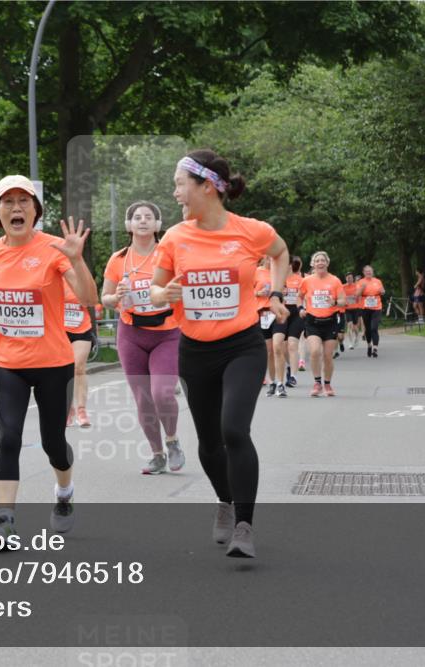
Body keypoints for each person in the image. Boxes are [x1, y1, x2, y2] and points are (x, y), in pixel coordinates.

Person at [150, 149, 290, 558]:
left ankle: (245, 525)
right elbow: (155, 289)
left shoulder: (251, 231)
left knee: (234, 430)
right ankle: (225, 501)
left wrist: (277, 292)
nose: (175, 193)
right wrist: (165, 293)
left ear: (206, 187)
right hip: (195, 351)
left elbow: (279, 252)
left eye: (179, 184)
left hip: (242, 346)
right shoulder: (176, 237)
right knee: (210, 443)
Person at [0, 175, 97, 542]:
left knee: (53, 444)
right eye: (8, 202)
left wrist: (76, 260)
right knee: (8, 436)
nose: (16, 208)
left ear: (36, 210)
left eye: (24, 201)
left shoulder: (56, 249)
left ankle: (64, 493)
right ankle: (5, 520)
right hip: (8, 362)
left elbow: (89, 297)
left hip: (53, 362)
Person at [102, 200, 185, 475]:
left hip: (167, 333)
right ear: (128, 225)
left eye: (149, 216)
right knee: (142, 398)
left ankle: (172, 441)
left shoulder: (169, 254)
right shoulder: (118, 259)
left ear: (158, 224)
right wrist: (118, 297)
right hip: (131, 333)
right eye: (136, 217)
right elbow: (105, 297)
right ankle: (157, 454)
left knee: (161, 393)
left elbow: (184, 286)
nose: (143, 221)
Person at [298, 252, 346, 397]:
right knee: (314, 352)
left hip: (330, 321)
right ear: (313, 264)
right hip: (312, 321)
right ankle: (317, 383)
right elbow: (299, 297)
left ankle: (328, 384)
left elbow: (343, 301)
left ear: (327, 263)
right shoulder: (307, 281)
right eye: (317, 260)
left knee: (327, 355)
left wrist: (335, 302)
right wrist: (301, 308)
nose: (320, 263)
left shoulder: (335, 281)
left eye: (322, 260)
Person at [63, 277, 95, 428]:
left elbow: (92, 300)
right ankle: (68, 409)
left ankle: (82, 410)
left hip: (80, 328)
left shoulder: (79, 274)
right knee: (60, 371)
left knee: (78, 367)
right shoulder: (50, 275)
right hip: (58, 330)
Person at [270, 256, 304, 394]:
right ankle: (289, 366)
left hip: (296, 314)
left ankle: (293, 377)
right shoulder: (277, 280)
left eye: (287, 265)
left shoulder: (301, 280)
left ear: (291, 266)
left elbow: (306, 296)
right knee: (279, 345)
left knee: (292, 344)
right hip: (281, 313)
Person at [255, 257, 279, 397]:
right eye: (269, 257)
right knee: (268, 350)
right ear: (264, 258)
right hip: (261, 313)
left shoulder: (278, 272)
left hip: (275, 312)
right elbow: (245, 292)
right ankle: (270, 380)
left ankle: (277, 380)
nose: (272, 260)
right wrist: (258, 293)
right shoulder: (256, 272)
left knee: (277, 347)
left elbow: (285, 290)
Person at [356, 265, 385, 357]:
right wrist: (362, 288)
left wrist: (383, 291)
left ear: (372, 272)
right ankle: (369, 345)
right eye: (367, 271)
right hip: (365, 308)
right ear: (364, 273)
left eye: (370, 271)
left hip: (377, 307)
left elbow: (382, 291)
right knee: (368, 329)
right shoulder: (360, 282)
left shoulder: (377, 281)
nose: (369, 272)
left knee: (374, 328)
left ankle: (375, 348)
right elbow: (357, 295)